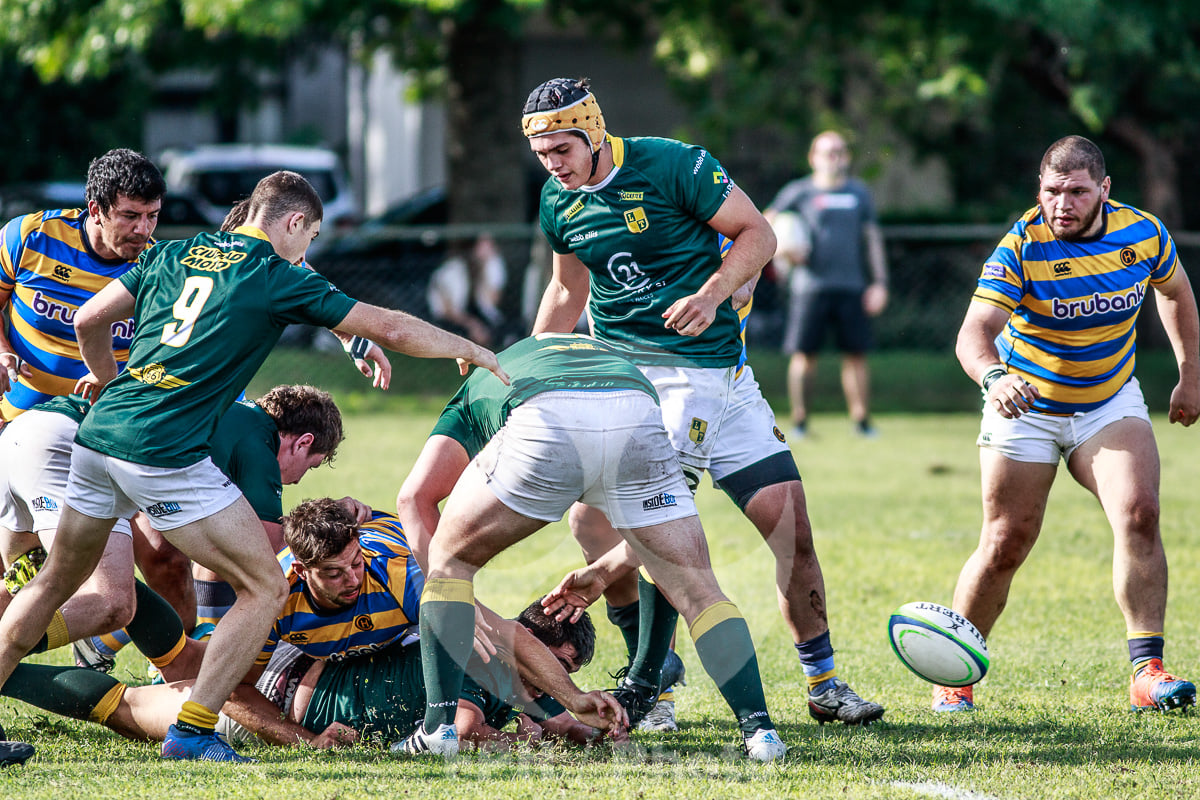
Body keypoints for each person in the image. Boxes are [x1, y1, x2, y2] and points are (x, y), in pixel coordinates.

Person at [0, 169, 508, 763]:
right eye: (310, 237)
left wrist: (113, 387)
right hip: (162, 453)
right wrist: (470, 347)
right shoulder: (273, 274)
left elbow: (88, 321)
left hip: (95, 438)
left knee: (57, 582)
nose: (307, 250)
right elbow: (391, 325)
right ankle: (191, 733)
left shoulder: (174, 251)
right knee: (265, 584)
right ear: (294, 223)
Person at [522, 77, 883, 730]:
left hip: (715, 374)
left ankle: (824, 685)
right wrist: (526, 366)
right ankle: (648, 684)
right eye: (542, 154)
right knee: (622, 523)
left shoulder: (674, 164)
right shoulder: (559, 201)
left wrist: (715, 293)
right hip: (630, 381)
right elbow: (565, 290)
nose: (553, 165)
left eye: (562, 149)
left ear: (595, 131)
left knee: (790, 530)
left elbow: (758, 235)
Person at [395, 333, 786, 761]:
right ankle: (761, 734)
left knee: (449, 566)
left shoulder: (476, 386)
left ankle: (436, 732)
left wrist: (459, 608)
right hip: (637, 407)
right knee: (701, 591)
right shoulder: (594, 353)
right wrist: (600, 571)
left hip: (547, 415)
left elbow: (415, 498)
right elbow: (649, 539)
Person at [936, 135, 1200, 714]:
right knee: (1006, 541)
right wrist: (994, 378)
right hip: (1025, 406)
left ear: (1104, 190)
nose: (1062, 203)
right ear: (1039, 189)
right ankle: (955, 677)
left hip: (1108, 401)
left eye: (1077, 191)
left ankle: (1147, 673)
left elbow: (1176, 291)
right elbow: (973, 333)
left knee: (1140, 514)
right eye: (1052, 190)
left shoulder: (1144, 234)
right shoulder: (1020, 247)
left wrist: (1191, 374)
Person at [0, 598, 618, 753]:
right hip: (281, 696)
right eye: (548, 667)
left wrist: (595, 722)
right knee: (149, 697)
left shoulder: (511, 677)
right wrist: (516, 739)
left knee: (176, 666)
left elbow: (558, 718)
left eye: (559, 675)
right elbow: (465, 725)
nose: (545, 682)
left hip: (293, 666)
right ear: (523, 642)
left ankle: (17, 650)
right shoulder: (477, 647)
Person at [70, 385, 360, 671]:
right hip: (105, 463)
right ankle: (178, 654)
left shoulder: (244, 422)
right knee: (183, 562)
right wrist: (330, 521)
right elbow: (271, 547)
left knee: (202, 551)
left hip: (107, 456)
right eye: (312, 465)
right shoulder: (259, 444)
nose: (298, 481)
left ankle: (130, 642)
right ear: (303, 442)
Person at [0, 149, 165, 424]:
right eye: (130, 215)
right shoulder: (30, 237)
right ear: (96, 210)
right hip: (19, 414)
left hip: (108, 425)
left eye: (153, 215)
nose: (143, 229)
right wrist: (3, 351)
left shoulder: (157, 267)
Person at [765, 130, 889, 438]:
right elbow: (765, 224)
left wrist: (880, 283)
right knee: (804, 356)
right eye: (826, 151)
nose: (833, 157)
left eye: (838, 151)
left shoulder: (858, 193)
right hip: (809, 288)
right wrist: (782, 249)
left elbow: (872, 239)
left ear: (845, 157)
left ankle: (862, 422)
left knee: (856, 355)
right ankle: (800, 422)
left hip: (851, 286)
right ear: (813, 158)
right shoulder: (798, 191)